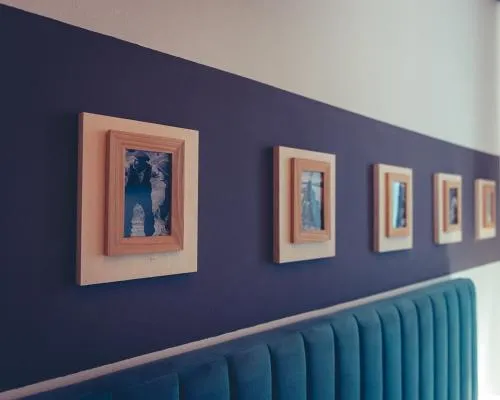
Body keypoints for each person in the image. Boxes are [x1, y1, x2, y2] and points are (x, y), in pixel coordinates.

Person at [124, 151, 155, 237]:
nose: (138, 163)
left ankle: (149, 234)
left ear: (145, 163)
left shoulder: (149, 168)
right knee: (127, 213)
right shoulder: (129, 168)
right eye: (136, 161)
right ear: (135, 161)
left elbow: (155, 175)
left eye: (141, 162)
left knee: (149, 213)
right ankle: (126, 233)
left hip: (144, 195)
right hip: (131, 194)